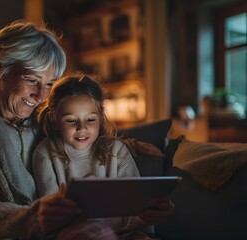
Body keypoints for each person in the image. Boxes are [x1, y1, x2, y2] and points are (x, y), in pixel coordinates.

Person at [0, 20, 172, 240]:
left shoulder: (39, 121)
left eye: (49, 84)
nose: (40, 95)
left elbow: (79, 133)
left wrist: (128, 144)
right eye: (32, 80)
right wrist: (32, 218)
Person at [33, 74, 173, 239]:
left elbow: (135, 204)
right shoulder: (45, 153)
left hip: (126, 234)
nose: (82, 128)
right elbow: (53, 216)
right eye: (71, 121)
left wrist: (148, 215)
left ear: (100, 119)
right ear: (54, 120)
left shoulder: (117, 150)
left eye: (90, 119)